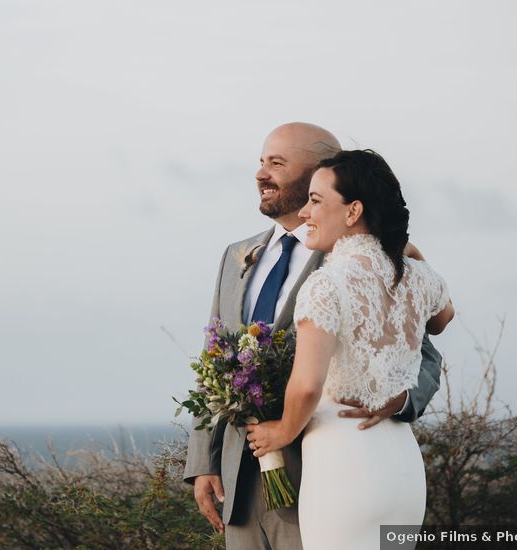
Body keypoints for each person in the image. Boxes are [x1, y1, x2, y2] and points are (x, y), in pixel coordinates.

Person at [183, 123, 444, 550]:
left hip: (326, 478)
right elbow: (214, 361)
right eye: (261, 161)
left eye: (277, 163)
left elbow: (423, 353)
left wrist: (399, 400)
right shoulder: (235, 256)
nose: (260, 173)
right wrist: (203, 462)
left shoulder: (367, 255)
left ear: (318, 173)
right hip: (239, 484)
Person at [245, 149, 454, 549]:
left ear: (353, 211)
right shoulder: (419, 277)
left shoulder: (326, 284)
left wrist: (281, 432)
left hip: (344, 467)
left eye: (316, 201)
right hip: (404, 471)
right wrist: (411, 255)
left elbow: (307, 385)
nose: (305, 213)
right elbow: (444, 319)